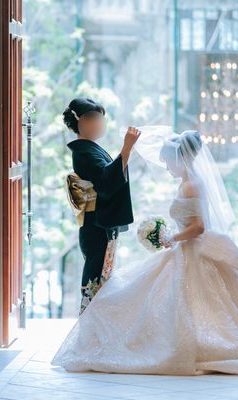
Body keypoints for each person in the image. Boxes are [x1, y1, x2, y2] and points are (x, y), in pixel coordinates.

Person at [53, 129, 238, 375]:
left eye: (168, 162)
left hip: (192, 250)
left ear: (179, 159)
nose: (167, 167)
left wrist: (170, 237)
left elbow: (198, 227)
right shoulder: (188, 182)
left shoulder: (191, 186)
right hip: (185, 248)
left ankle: (195, 343)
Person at [64, 97, 140, 313]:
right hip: (96, 227)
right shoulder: (83, 152)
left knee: (103, 278)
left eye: (101, 119)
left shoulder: (90, 149)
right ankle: (89, 326)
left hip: (99, 224)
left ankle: (96, 326)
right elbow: (106, 182)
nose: (100, 124)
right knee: (96, 280)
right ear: (81, 122)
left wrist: (126, 151)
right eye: (95, 119)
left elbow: (109, 177)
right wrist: (126, 148)